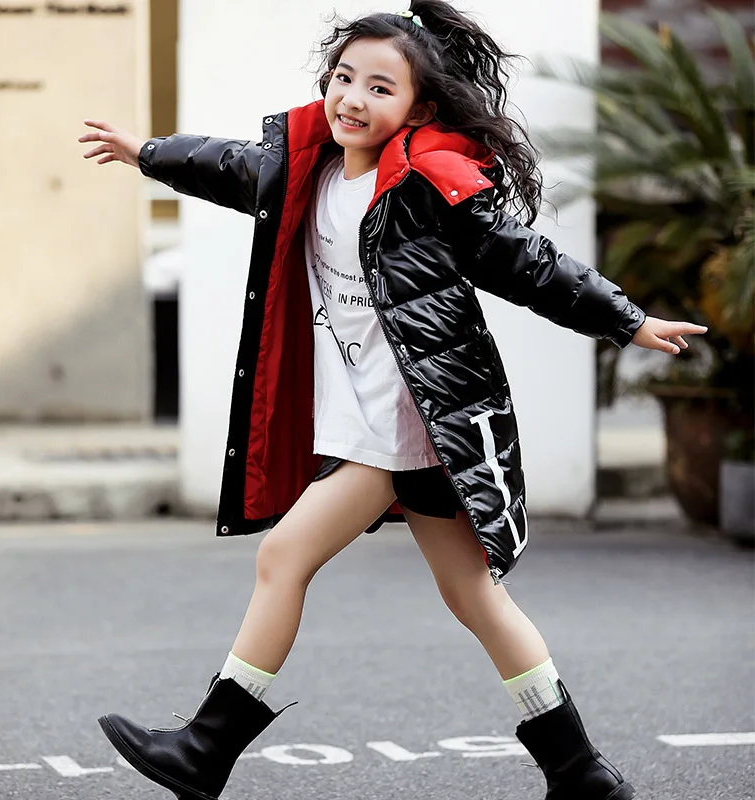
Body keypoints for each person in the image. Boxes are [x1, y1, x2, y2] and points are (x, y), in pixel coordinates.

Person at [79, 3, 706, 798]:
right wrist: (147, 152)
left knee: (284, 556)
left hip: (410, 417)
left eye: (380, 87)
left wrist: (626, 319)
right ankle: (580, 771)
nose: (353, 98)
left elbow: (528, 263)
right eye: (344, 78)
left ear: (418, 107)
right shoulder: (309, 169)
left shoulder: (426, 186)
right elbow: (231, 166)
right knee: (473, 595)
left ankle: (205, 749)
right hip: (391, 416)